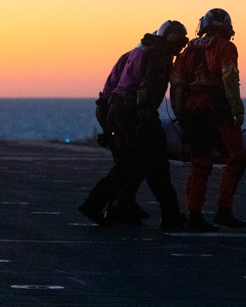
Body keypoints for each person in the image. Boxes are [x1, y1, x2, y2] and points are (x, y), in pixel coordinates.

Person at [79, 21, 189, 230]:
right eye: (180, 41)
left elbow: (113, 85)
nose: (181, 46)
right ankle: (169, 215)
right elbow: (148, 92)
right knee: (155, 164)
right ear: (171, 38)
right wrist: (146, 123)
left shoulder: (140, 50)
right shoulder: (160, 56)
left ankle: (116, 206)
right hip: (135, 113)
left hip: (118, 110)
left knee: (131, 164)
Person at [170, 8, 246, 231]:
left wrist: (180, 114)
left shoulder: (189, 49)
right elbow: (230, 78)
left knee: (200, 164)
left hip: (192, 113)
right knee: (236, 158)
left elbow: (176, 83)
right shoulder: (226, 47)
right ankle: (223, 210)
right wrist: (237, 109)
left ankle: (194, 214)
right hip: (217, 111)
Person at [90, 47, 147, 224]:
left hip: (108, 107)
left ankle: (124, 204)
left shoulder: (130, 55)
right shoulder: (140, 57)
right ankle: (107, 205)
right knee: (129, 162)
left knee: (129, 162)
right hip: (114, 109)